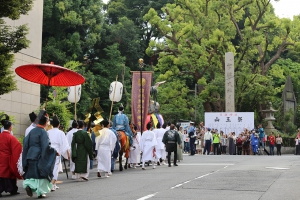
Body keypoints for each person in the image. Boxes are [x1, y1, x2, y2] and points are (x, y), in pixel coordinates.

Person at [22, 110, 57, 198]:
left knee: (31, 174)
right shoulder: (43, 132)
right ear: (45, 123)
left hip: (30, 155)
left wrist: (25, 156)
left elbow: (25, 143)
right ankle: (41, 192)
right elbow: (46, 145)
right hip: (39, 156)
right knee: (40, 174)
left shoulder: (31, 131)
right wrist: (54, 151)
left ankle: (29, 186)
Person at [0, 117, 22, 197]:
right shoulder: (11, 138)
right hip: (7, 159)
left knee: (1, 174)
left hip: (0, 158)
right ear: (10, 127)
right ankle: (12, 190)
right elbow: (17, 148)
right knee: (9, 174)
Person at [47, 115, 70, 191]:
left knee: (49, 167)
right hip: (56, 151)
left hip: (48, 151)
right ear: (59, 124)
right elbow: (65, 145)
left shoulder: (48, 132)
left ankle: (52, 184)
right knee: (55, 168)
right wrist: (68, 155)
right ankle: (52, 184)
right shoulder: (61, 133)